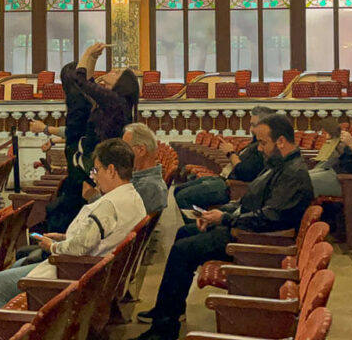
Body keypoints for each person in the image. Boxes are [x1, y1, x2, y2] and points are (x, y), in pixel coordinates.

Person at [131, 114, 313, 340]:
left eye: (264, 143)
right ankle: (168, 310)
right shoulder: (278, 165)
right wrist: (219, 213)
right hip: (245, 229)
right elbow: (253, 204)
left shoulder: (293, 173)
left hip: (253, 242)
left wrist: (226, 220)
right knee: (184, 232)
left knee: (183, 251)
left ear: (282, 142)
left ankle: (164, 331)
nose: (259, 149)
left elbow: (271, 217)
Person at [0, 139, 147, 307]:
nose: (95, 177)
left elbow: (78, 248)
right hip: (93, 272)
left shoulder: (109, 206)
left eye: (96, 170)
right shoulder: (135, 198)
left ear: (111, 170)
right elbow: (97, 238)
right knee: (18, 264)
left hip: (74, 274)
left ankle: (1, 329)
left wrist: (53, 246)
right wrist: (64, 237)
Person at [45, 45, 141, 232]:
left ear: (122, 84)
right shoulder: (113, 101)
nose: (112, 71)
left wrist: (87, 53)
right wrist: (93, 59)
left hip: (95, 165)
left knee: (73, 210)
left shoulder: (114, 101)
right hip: (94, 160)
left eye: (117, 72)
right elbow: (88, 84)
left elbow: (80, 80)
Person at [172, 106, 275, 213]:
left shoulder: (262, 148)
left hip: (230, 187)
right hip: (223, 178)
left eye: (254, 125)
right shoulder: (254, 143)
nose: (251, 129)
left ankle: (196, 226)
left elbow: (244, 173)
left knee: (182, 197)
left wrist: (230, 153)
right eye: (251, 125)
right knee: (178, 189)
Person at [84, 123, 168, 215]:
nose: (122, 154)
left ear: (141, 150)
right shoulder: (140, 178)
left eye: (126, 148)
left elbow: (116, 217)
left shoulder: (149, 187)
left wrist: (93, 197)